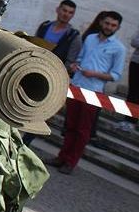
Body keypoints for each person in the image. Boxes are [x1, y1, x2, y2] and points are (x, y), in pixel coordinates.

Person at [48, 11, 126, 174]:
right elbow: (80, 58)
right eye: (107, 23)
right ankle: (61, 157)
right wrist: (75, 65)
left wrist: (95, 74)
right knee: (69, 125)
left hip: (94, 92)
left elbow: (115, 75)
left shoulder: (119, 48)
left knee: (82, 130)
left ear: (117, 27)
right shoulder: (90, 38)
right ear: (101, 23)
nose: (108, 27)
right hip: (77, 86)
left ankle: (70, 162)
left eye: (113, 25)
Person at [22, 0, 82, 144]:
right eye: (64, 10)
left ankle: (25, 143)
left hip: (52, 77)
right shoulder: (45, 26)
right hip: (33, 70)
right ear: (58, 10)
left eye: (70, 12)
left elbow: (70, 61)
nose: (66, 14)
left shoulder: (73, 36)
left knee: (41, 114)